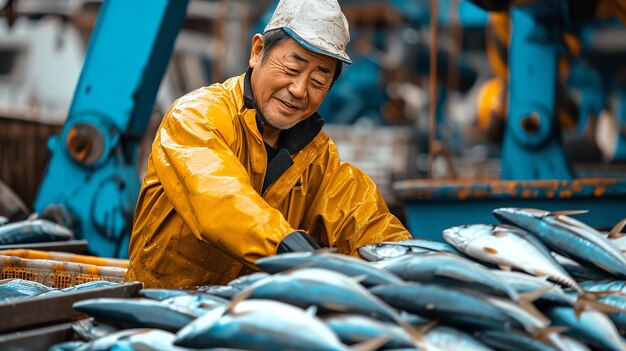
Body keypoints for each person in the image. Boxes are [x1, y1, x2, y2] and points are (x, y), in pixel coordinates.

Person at [125, 0, 411, 288]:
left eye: (318, 81)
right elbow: (220, 198)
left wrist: (412, 264)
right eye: (291, 68)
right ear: (257, 51)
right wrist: (292, 250)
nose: (299, 90)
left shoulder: (319, 160)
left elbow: (364, 221)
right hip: (159, 312)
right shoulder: (196, 116)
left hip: (244, 315)